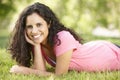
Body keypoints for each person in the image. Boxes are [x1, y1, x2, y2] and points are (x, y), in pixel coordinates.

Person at [9, 2, 120, 76]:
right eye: (30, 26)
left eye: (39, 25)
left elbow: (59, 76)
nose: (34, 31)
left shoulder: (62, 37)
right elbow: (41, 71)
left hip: (111, 52)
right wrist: (36, 45)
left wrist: (24, 71)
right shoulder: (38, 42)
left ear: (48, 23)